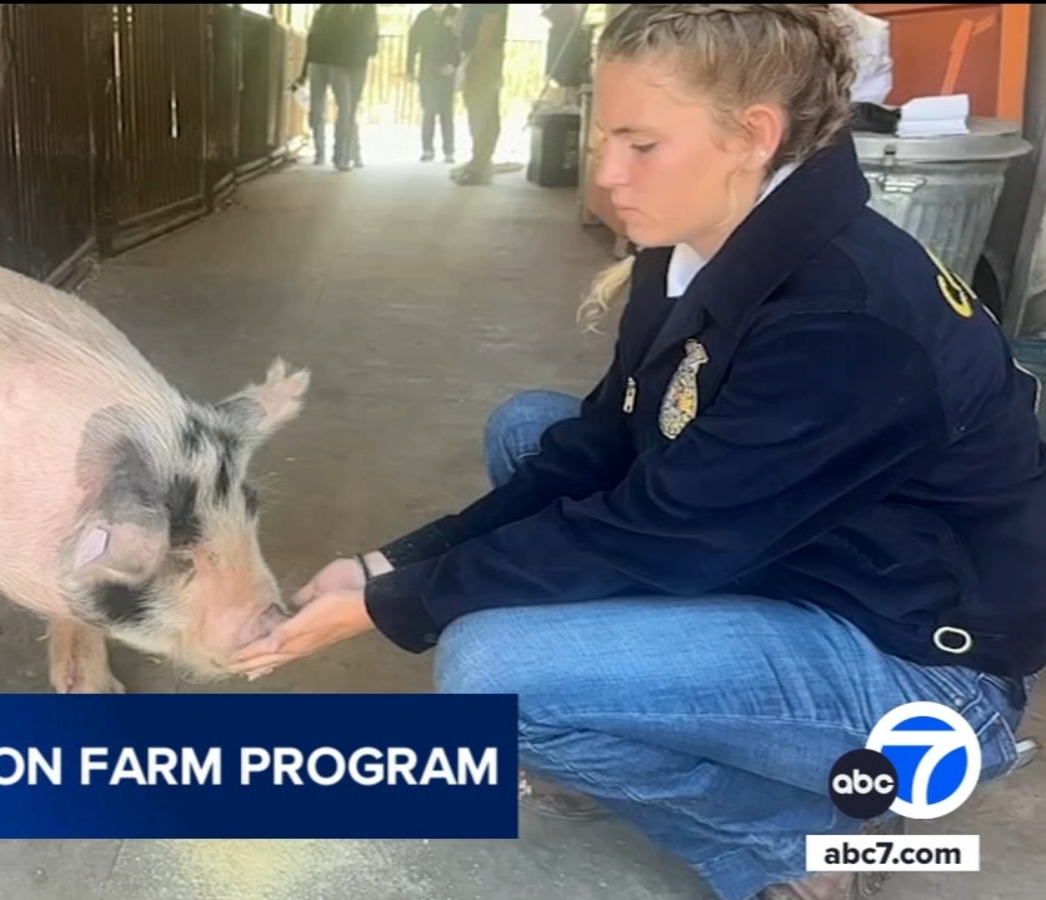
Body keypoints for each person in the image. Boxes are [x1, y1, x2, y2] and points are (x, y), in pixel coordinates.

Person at [232, 5, 1046, 900]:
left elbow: (658, 531)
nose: (607, 171)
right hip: (808, 555)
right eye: (605, 134)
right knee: (530, 428)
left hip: (922, 667)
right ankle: (691, 729)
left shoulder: (842, 318)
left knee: (494, 679)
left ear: (753, 135)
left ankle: (803, 845)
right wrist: (387, 563)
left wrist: (396, 604)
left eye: (641, 144)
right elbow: (602, 445)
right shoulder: (699, 240)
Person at [293, 4, 380, 171]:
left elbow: (373, 30)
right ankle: (337, 155)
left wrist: (371, 49)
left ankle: (351, 153)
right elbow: (316, 37)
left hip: (358, 63)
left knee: (351, 109)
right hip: (335, 62)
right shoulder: (330, 9)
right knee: (341, 107)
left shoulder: (369, 7)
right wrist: (305, 70)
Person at [453, 4, 507, 185]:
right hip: (473, 54)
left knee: (482, 110)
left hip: (484, 55)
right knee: (477, 109)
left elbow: (490, 22)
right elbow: (458, 24)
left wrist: (477, 56)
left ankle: (480, 165)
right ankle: (478, 160)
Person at [408, 4, 462, 163]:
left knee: (447, 112)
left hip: (447, 71)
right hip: (428, 71)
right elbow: (413, 42)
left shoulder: (456, 13)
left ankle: (449, 150)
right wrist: (410, 68)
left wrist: (454, 64)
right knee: (428, 111)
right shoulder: (424, 16)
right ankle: (427, 149)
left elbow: (462, 41)